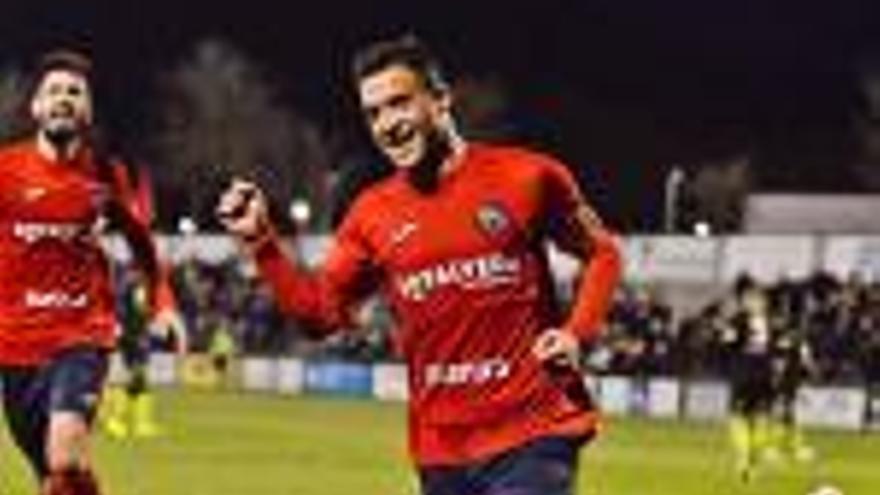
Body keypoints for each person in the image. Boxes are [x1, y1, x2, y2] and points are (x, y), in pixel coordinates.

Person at [218, 34, 622, 495]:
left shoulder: (527, 178)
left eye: (399, 104)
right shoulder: (371, 214)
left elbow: (602, 253)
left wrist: (576, 332)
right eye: (373, 114)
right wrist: (261, 242)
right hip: (441, 451)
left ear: (441, 100)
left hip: (534, 430)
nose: (387, 124)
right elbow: (319, 315)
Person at [0, 49, 180, 495]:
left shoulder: (106, 176)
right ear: (36, 107)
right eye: (54, 91)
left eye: (74, 92)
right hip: (15, 344)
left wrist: (164, 304)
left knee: (64, 451)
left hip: (82, 336)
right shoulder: (5, 171)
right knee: (56, 477)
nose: (64, 99)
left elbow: (143, 245)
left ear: (88, 108)